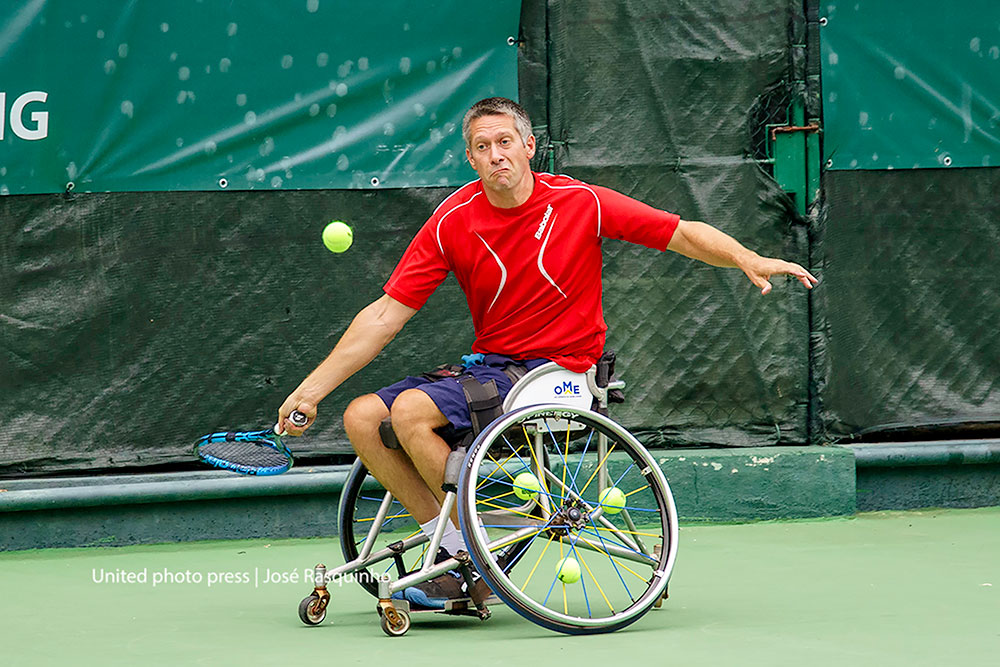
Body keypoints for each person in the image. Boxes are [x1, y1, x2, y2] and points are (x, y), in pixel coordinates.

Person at [276, 97, 817, 608]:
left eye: (505, 142)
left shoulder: (580, 203)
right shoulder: (452, 219)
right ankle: (459, 551)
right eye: (482, 147)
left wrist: (748, 257)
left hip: (561, 373)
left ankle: (469, 553)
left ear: (529, 146)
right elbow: (384, 315)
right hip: (495, 368)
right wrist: (311, 390)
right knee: (364, 417)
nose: (496, 155)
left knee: (413, 411)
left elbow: (679, 233)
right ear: (470, 157)